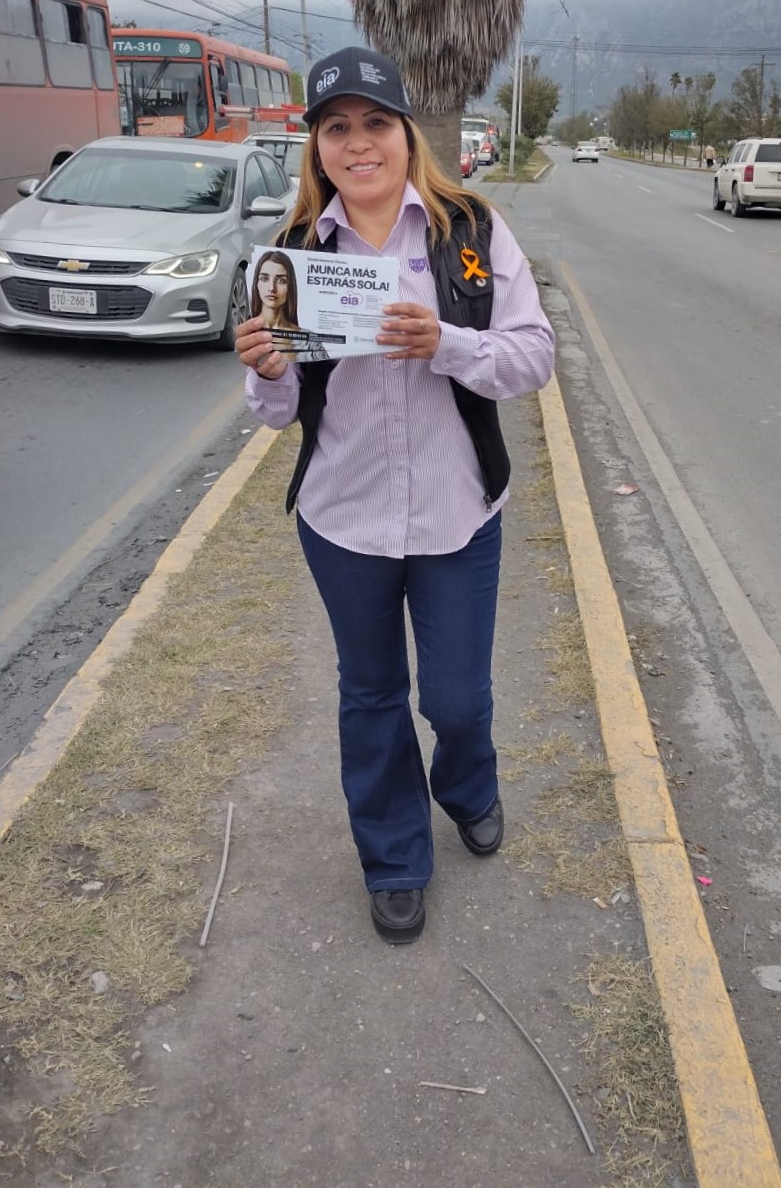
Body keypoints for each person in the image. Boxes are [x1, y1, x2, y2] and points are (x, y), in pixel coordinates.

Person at [235, 46, 555, 945]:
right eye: (337, 128)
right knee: (370, 695)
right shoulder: (295, 255)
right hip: (344, 518)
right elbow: (277, 412)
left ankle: (469, 786)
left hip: (458, 514)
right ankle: (394, 859)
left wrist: (446, 342)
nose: (358, 143)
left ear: (406, 132)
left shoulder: (472, 232)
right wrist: (264, 370)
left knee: (455, 699)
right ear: (318, 148)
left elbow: (535, 355)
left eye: (375, 123)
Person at [249, 247, 332, 363]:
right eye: (264, 278)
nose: (271, 288)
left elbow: (325, 378)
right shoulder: (247, 334)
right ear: (256, 284)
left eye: (281, 280)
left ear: (290, 287)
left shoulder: (309, 341)